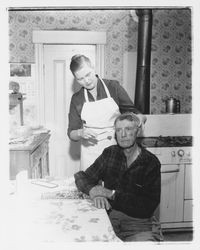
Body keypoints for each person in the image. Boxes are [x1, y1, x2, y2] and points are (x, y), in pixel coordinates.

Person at [74, 112, 163, 242]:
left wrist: (111, 194)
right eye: (119, 130)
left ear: (137, 132)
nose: (123, 134)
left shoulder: (151, 162)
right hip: (109, 220)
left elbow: (147, 207)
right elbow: (82, 176)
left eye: (128, 129)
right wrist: (94, 191)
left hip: (139, 225)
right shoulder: (109, 153)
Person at [68, 54, 145, 170]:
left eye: (88, 74)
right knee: (92, 187)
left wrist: (138, 121)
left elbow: (136, 114)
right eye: (80, 79)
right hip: (90, 153)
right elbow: (71, 133)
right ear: (76, 79)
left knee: (115, 185)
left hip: (114, 148)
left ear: (93, 67)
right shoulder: (77, 98)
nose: (87, 81)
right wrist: (80, 132)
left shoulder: (113, 87)